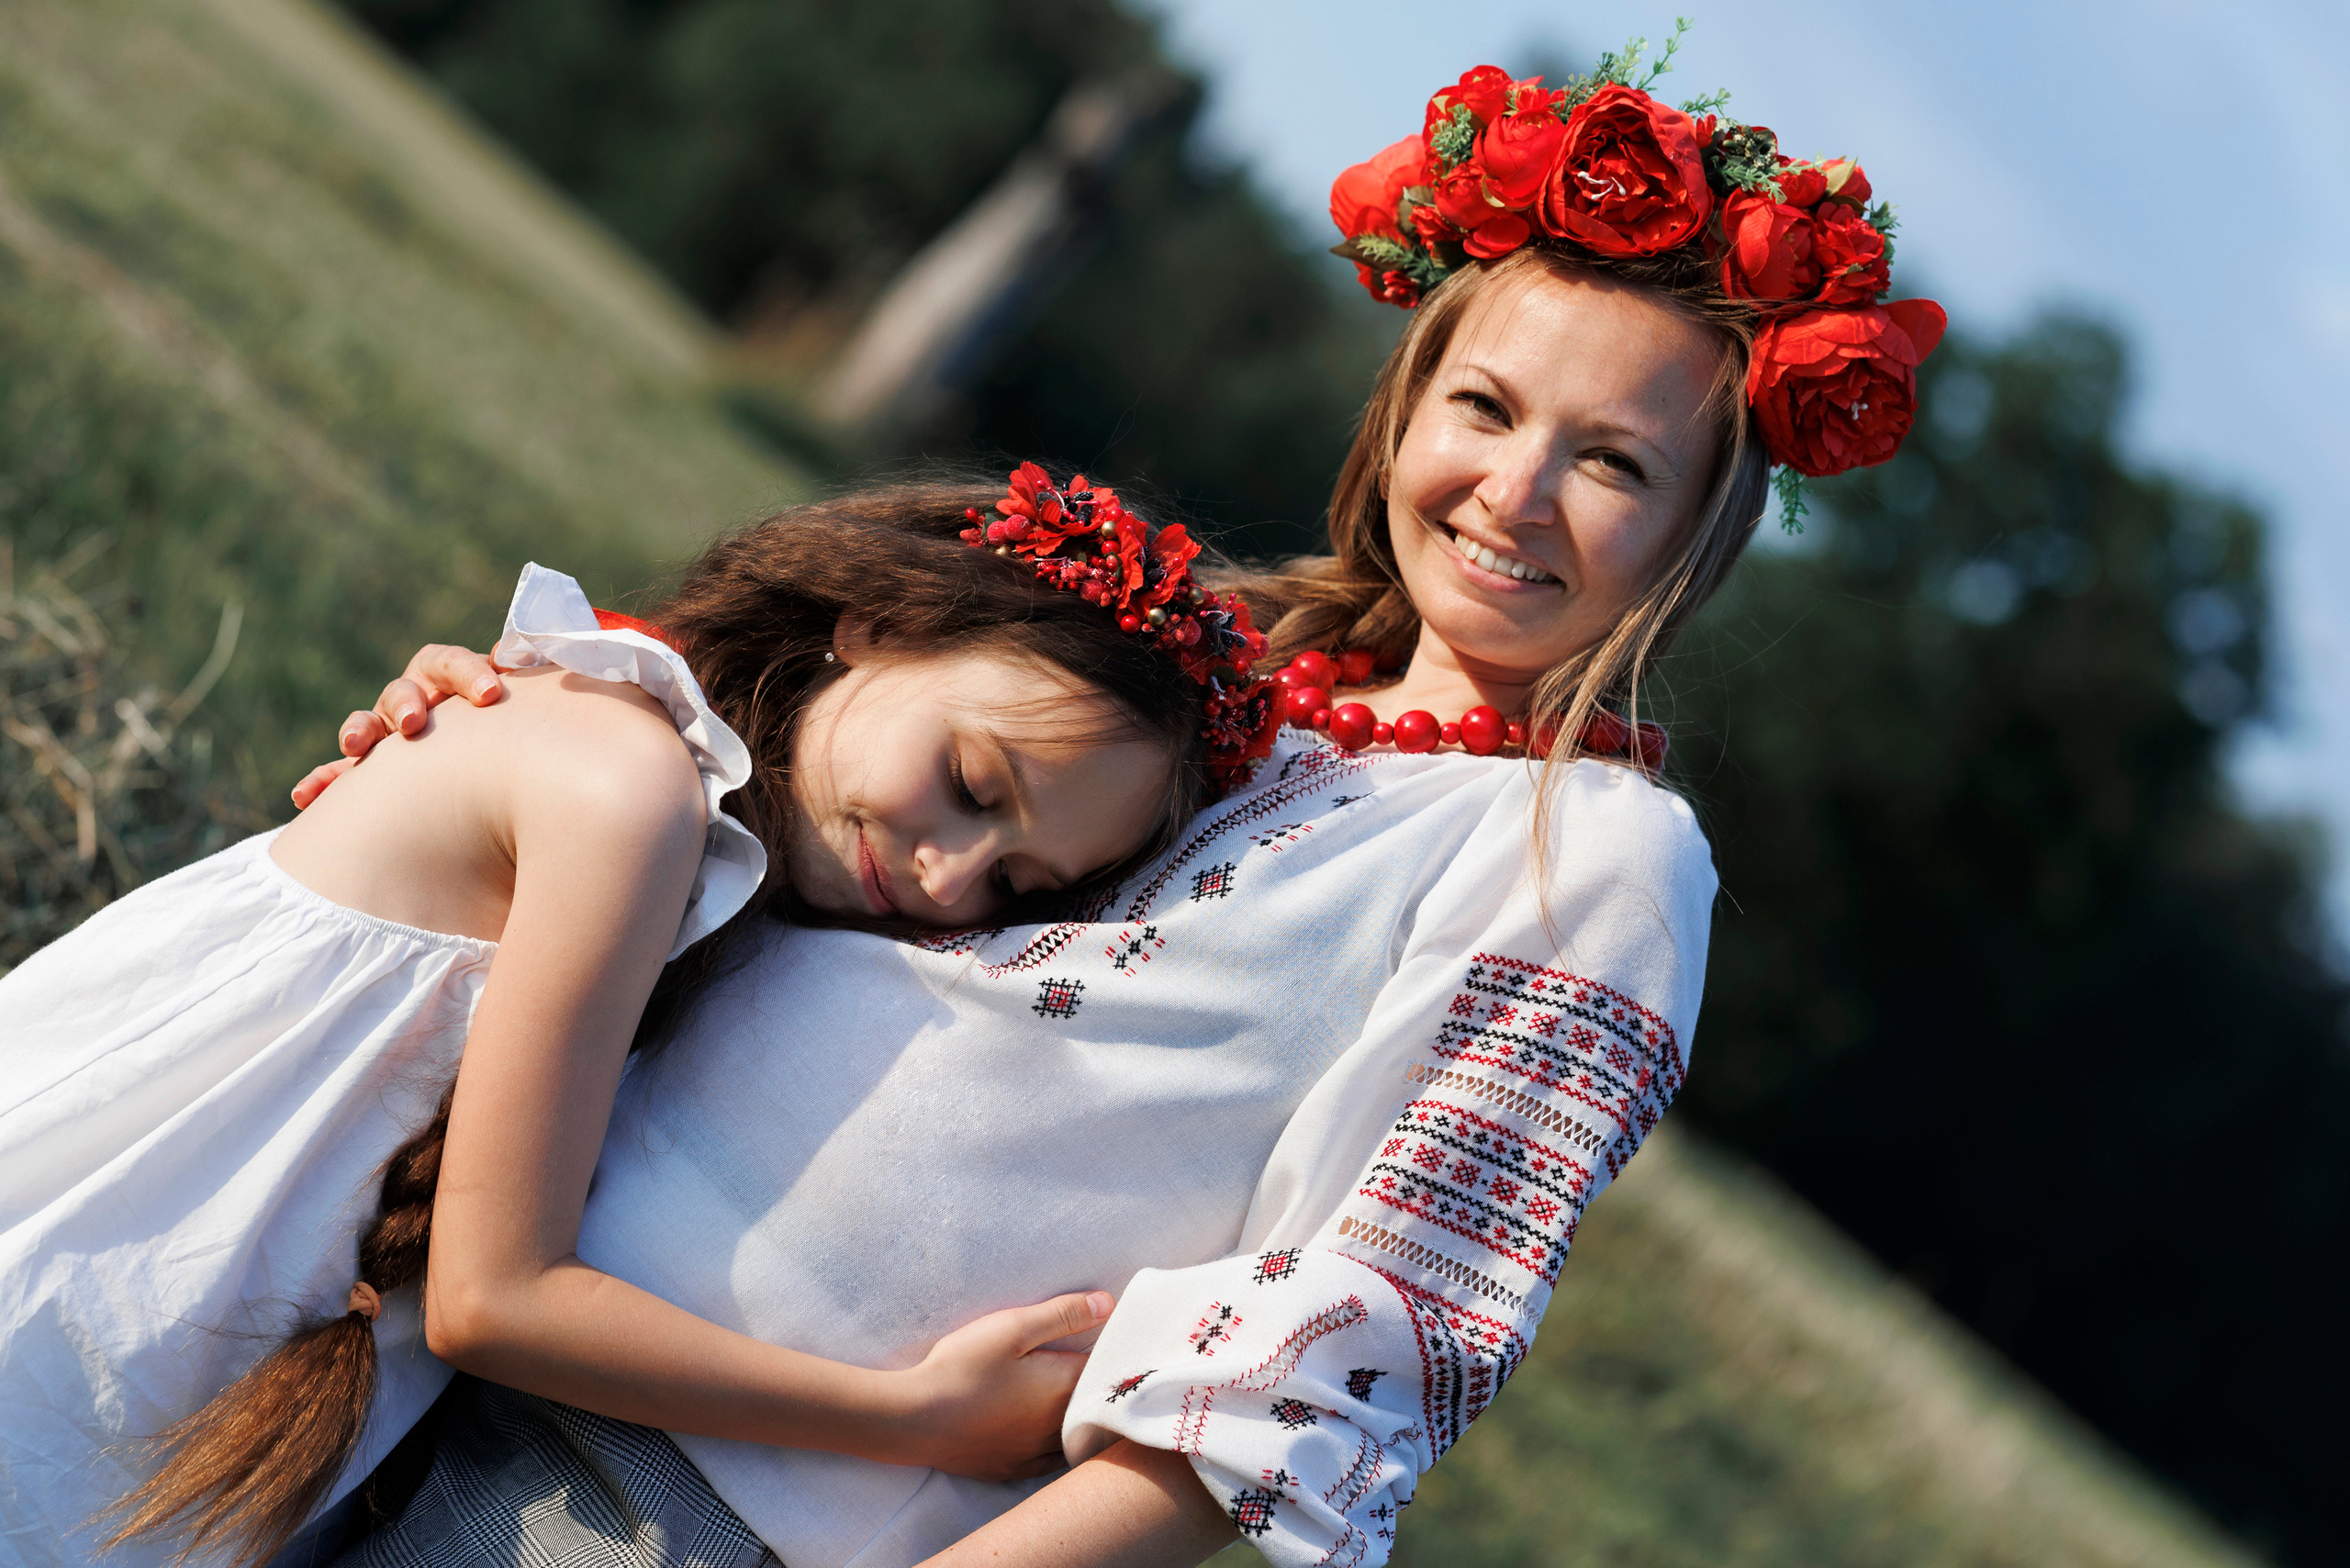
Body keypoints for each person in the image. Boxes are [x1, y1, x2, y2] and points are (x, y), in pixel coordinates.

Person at [302, 47, 1944, 1568]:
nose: (1514, 492)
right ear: (1407, 404)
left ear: (1692, 537)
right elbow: (785, 753)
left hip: (716, 1505)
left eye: (1614, 464)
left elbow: (1311, 1378)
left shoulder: (1589, 854)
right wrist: (510, 719)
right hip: (474, 1309)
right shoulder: (1202, 664)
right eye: (1488, 409)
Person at [0, 486, 1281, 1568]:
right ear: (882, 625)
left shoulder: (706, 832)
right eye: (971, 785)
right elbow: (494, 1300)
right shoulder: (630, 796)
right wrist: (917, 1415)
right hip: (106, 1301)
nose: (954, 879)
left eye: (1017, 886)